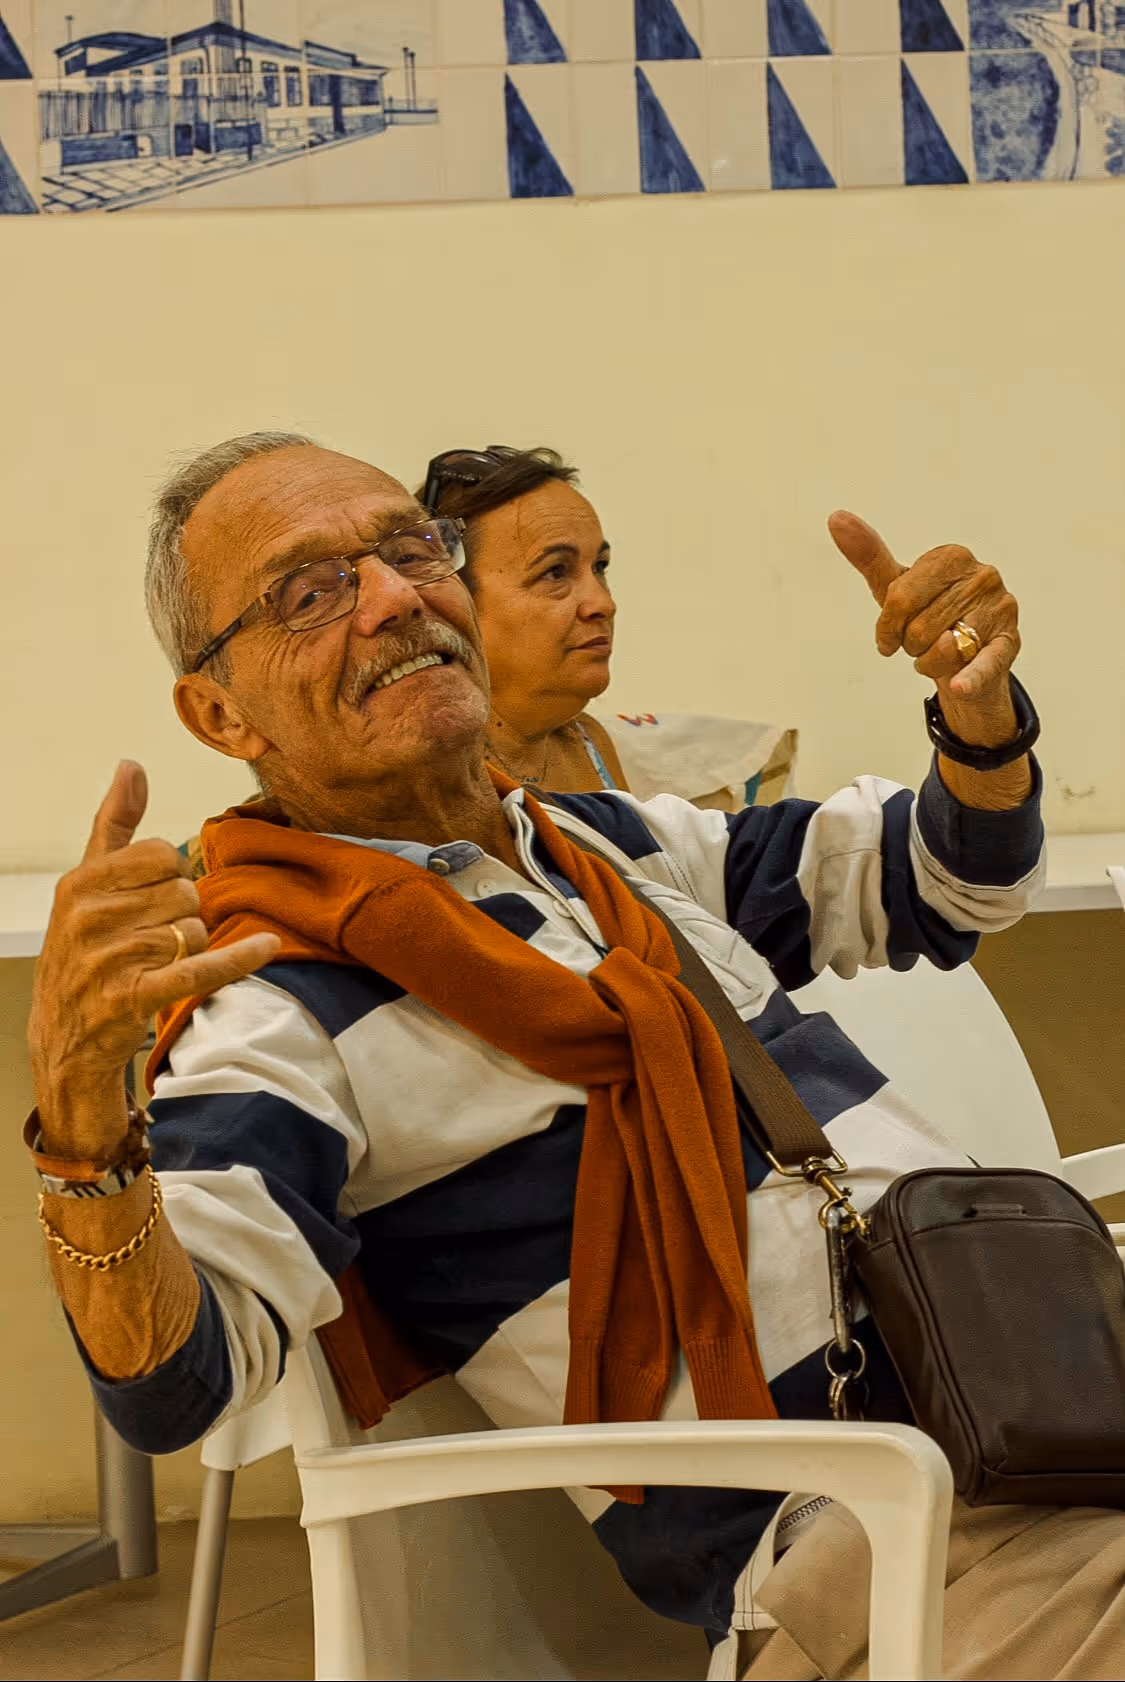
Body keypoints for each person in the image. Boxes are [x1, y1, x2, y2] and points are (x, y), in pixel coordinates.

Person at [27, 431, 1119, 1679]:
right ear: (218, 711)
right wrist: (77, 1109)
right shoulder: (275, 1002)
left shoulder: (610, 852)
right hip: (903, 1539)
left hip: (1047, 1408)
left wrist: (979, 723)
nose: (395, 595)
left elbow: (949, 880)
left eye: (407, 548)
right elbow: (179, 1385)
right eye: (310, 593)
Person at [420, 445, 797, 809]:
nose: (604, 603)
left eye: (599, 566)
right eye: (555, 572)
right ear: (450, 602)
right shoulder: (415, 776)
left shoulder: (589, 746)